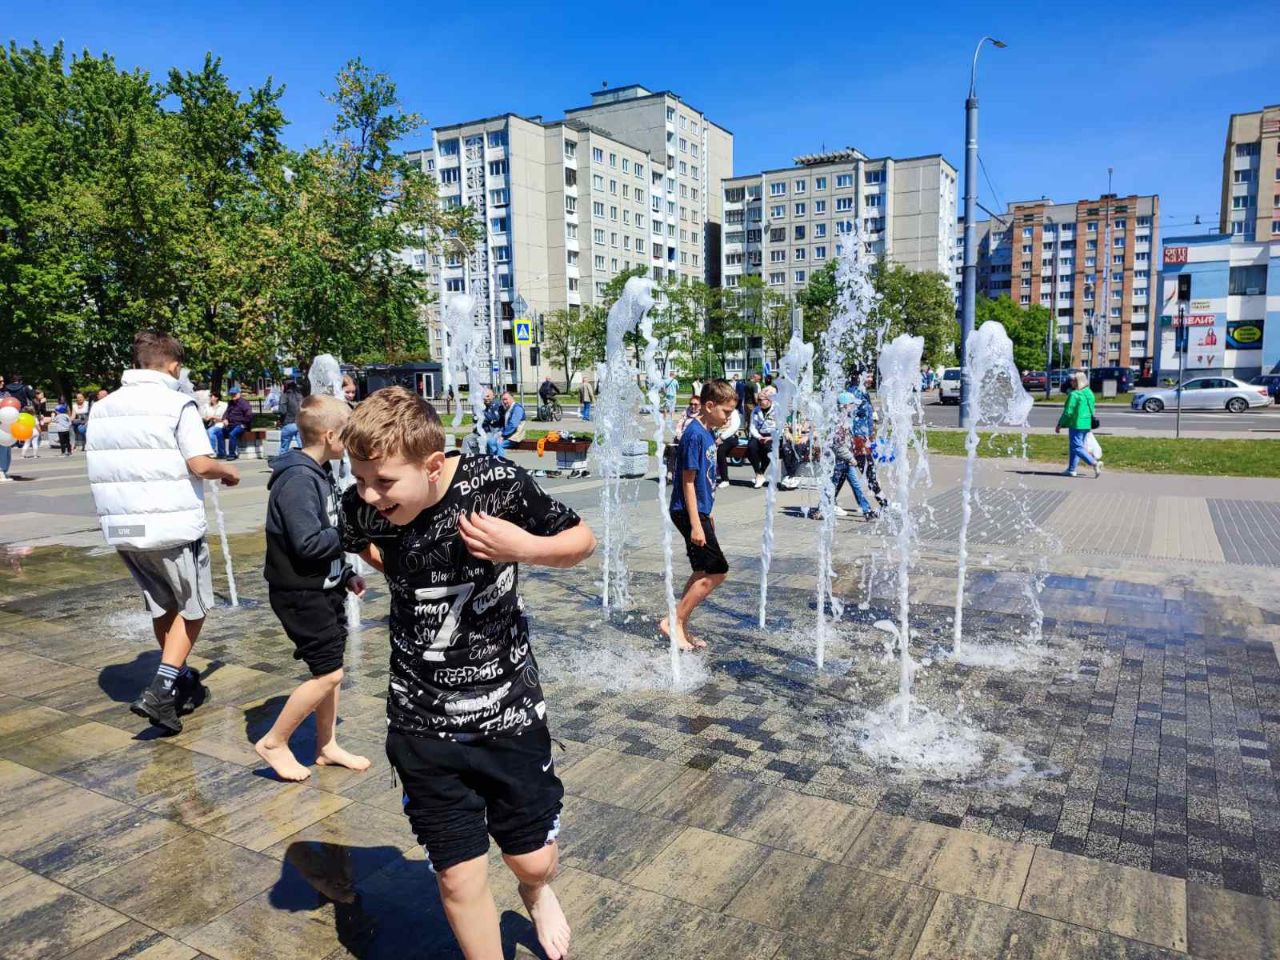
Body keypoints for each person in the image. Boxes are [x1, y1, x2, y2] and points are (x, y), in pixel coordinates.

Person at [338, 386, 595, 960]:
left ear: (433, 466)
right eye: (359, 479)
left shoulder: (496, 485)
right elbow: (366, 545)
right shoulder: (360, 506)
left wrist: (523, 546)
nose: (369, 494)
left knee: (532, 857)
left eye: (383, 482)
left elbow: (582, 541)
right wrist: (402, 575)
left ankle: (536, 890)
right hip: (419, 720)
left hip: (508, 713)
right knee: (457, 878)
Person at [86, 331, 239, 733]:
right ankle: (161, 687)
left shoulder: (103, 407)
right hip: (170, 526)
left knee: (162, 604)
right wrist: (227, 471)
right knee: (194, 606)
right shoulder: (176, 404)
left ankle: (177, 678)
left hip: (124, 527)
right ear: (173, 366)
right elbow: (201, 463)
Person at [255, 395, 370, 782]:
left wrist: (344, 572)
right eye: (349, 434)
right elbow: (307, 543)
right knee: (328, 675)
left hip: (322, 587)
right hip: (300, 593)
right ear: (331, 434)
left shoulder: (317, 472)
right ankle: (274, 741)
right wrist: (352, 533)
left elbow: (324, 535)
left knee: (331, 669)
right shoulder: (299, 480)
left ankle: (326, 745)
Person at [663, 379, 736, 652]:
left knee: (702, 571)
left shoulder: (707, 432)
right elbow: (688, 481)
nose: (728, 418)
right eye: (726, 412)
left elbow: (706, 481)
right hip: (687, 512)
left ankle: (680, 626)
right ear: (709, 405)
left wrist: (708, 514)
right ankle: (673, 622)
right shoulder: (694, 434)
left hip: (698, 512)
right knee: (718, 571)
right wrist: (696, 523)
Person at [828, 392, 878, 520]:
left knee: (854, 485)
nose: (854, 407)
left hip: (845, 460)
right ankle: (822, 508)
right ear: (845, 406)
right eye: (852, 404)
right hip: (841, 461)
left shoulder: (845, 420)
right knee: (833, 485)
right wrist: (851, 458)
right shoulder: (839, 422)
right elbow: (838, 446)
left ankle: (867, 510)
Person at [850, 372, 887, 507]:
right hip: (858, 441)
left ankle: (825, 505)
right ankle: (884, 504)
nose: (871, 379)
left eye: (872, 376)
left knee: (843, 474)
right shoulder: (855, 393)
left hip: (862, 439)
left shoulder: (862, 392)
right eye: (868, 376)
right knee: (869, 473)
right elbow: (849, 416)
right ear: (858, 376)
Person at [1056, 371, 1101, 478]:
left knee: (1076, 447)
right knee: (1075, 447)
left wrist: (1060, 424)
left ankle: (1094, 463)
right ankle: (1071, 469)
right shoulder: (1089, 392)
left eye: (1073, 380)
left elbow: (1068, 412)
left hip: (1076, 424)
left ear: (1077, 382)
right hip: (1087, 423)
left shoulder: (1074, 394)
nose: (1071, 382)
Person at [210, 385, 253, 460]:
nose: (233, 396)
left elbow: (249, 415)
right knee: (219, 433)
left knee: (232, 434)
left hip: (241, 425)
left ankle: (232, 454)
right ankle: (221, 453)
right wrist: (225, 419)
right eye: (231, 394)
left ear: (239, 394)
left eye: (234, 394)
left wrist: (244, 424)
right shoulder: (231, 403)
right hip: (231, 425)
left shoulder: (244, 403)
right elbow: (226, 413)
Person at [746, 390, 777, 488]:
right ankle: (759, 474)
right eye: (757, 399)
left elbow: (781, 428)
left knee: (768, 450)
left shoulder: (777, 410)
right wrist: (759, 437)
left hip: (773, 435)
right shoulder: (755, 410)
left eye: (761, 399)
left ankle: (760, 474)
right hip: (759, 435)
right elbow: (752, 427)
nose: (758, 401)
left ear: (769, 400)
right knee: (751, 447)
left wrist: (771, 437)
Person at [487, 391, 526, 455]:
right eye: (503, 400)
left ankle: (501, 462)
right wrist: (500, 433)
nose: (504, 402)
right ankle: (493, 459)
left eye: (506, 399)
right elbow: (505, 425)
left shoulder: (517, 408)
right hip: (508, 435)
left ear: (512, 398)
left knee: (498, 443)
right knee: (490, 441)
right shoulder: (508, 408)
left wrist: (503, 435)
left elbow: (513, 425)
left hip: (515, 437)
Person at [714, 403, 742, 489]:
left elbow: (734, 428)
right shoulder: (716, 410)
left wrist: (721, 437)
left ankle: (725, 479)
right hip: (716, 436)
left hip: (730, 437)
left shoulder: (733, 412)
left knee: (720, 450)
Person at [277, 379, 302, 456]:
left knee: (284, 448)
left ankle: (282, 465)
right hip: (300, 424)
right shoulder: (301, 395)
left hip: (288, 423)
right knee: (303, 447)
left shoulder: (284, 395)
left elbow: (282, 411)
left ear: (285, 386)